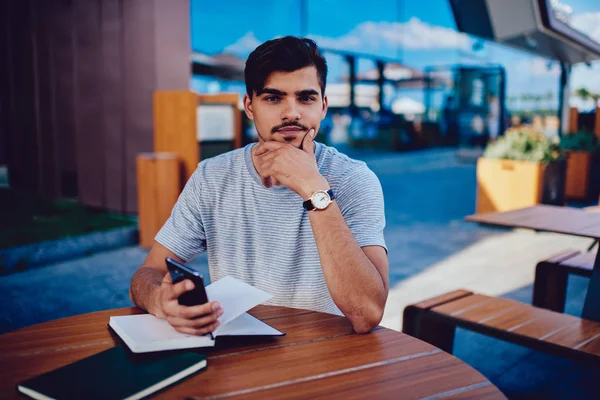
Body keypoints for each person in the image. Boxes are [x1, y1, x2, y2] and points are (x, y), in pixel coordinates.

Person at [129, 36, 388, 336]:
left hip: (326, 359)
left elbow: (367, 313)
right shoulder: (212, 177)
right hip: (238, 359)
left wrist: (314, 189)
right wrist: (159, 300)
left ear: (323, 106)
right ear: (249, 106)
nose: (292, 112)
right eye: (273, 98)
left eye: (306, 98)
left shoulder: (354, 179)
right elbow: (146, 274)